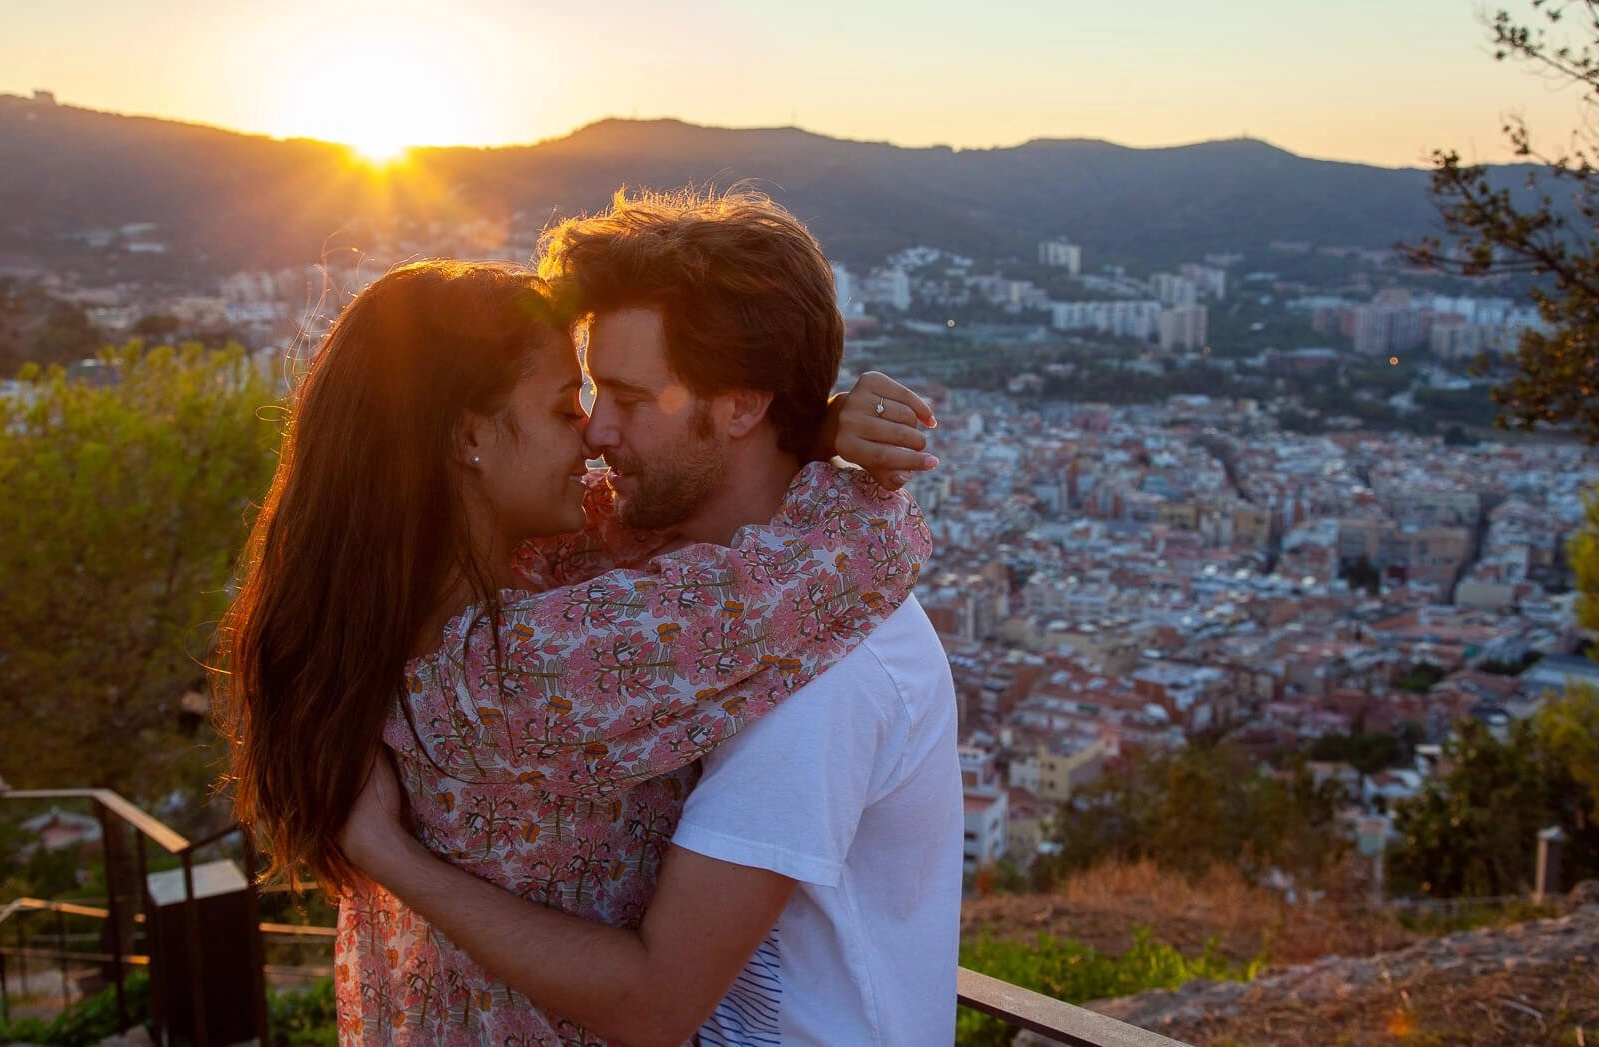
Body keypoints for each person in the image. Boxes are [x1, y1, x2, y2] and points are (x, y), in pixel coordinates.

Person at [211, 255, 938, 1043]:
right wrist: (818, 452)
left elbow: (651, 514)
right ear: (468, 438)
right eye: (569, 407)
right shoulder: (526, 667)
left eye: (616, 396)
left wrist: (797, 426)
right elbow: (842, 555)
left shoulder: (464, 582)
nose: (592, 436)